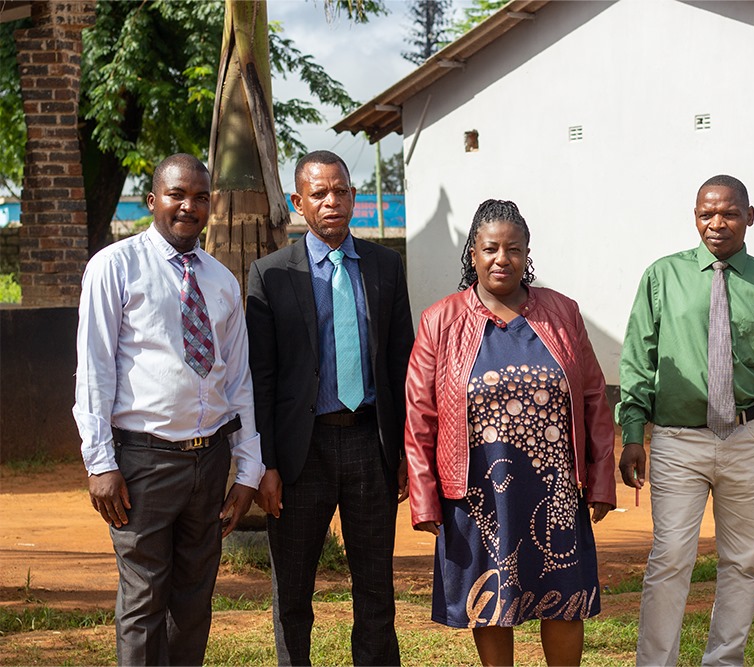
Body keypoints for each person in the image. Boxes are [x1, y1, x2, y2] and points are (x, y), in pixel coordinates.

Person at [405, 199, 617, 667]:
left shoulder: (562, 313)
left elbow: (594, 399)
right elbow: (420, 415)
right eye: (491, 249)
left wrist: (601, 480)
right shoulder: (440, 321)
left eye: (514, 249)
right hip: (479, 492)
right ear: (473, 254)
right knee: (492, 605)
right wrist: (425, 496)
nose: (503, 258)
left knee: (564, 599)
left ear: (527, 254)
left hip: (555, 490)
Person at [73, 153, 264, 666]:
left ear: (211, 206)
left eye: (200, 197)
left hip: (209, 462)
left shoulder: (222, 281)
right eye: (177, 195)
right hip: (141, 464)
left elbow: (237, 381)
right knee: (142, 600)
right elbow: (94, 370)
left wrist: (248, 469)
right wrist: (101, 463)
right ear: (153, 200)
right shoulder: (114, 267)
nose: (188, 206)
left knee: (194, 600)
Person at [617, 175, 754, 666]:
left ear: (750, 215)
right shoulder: (663, 276)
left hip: (748, 438)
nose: (717, 223)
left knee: (744, 562)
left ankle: (724, 661)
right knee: (670, 559)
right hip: (677, 441)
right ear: (695, 217)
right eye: (707, 214)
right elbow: (638, 358)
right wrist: (633, 433)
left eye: (728, 213)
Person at [246, 150, 414, 666]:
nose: (331, 201)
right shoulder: (271, 274)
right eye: (318, 193)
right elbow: (262, 380)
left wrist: (407, 450)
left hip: (371, 444)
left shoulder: (386, 266)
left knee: (375, 591)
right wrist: (266, 465)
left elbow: (401, 364)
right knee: (292, 595)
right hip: (302, 454)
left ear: (354, 197)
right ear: (298, 202)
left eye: (340, 190)